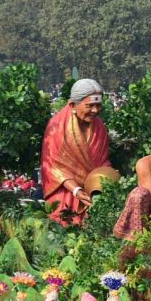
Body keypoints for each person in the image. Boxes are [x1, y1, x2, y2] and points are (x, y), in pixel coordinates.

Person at [41, 79, 111, 224]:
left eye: (98, 105)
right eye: (90, 106)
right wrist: (76, 190)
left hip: (92, 191)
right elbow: (52, 167)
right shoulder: (56, 126)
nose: (95, 110)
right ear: (73, 105)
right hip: (65, 191)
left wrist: (107, 180)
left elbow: (102, 161)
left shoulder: (99, 128)